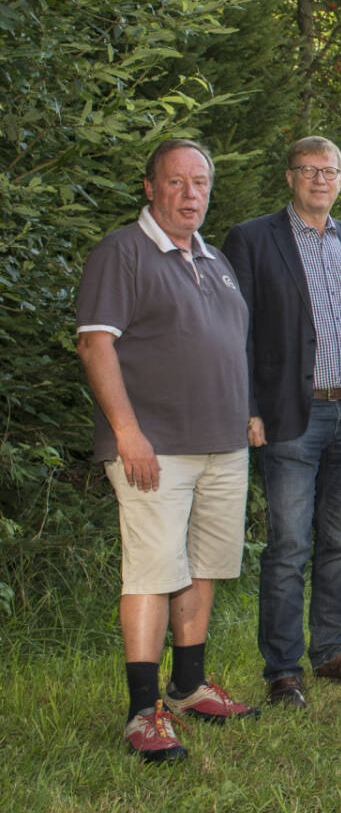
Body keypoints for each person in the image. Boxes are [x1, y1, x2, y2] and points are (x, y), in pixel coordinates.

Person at [76, 138, 259, 763]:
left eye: (200, 183)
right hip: (155, 447)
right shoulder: (121, 252)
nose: (190, 194)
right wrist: (128, 433)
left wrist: (248, 412)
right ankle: (141, 712)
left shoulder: (217, 259)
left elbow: (229, 346)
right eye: (176, 182)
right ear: (150, 188)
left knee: (203, 567)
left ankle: (189, 687)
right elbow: (96, 345)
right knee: (153, 572)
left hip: (223, 444)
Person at [222, 136, 341, 707]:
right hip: (292, 413)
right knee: (289, 545)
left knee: (340, 543)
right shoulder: (252, 239)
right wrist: (247, 407)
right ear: (289, 177)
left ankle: (332, 652)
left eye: (331, 170)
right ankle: (282, 669)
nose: (321, 179)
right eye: (309, 170)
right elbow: (235, 332)